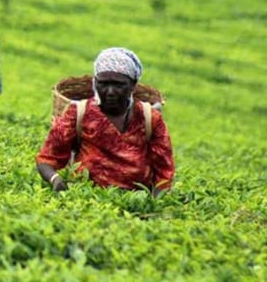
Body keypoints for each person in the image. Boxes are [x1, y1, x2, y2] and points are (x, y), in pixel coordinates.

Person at [36, 48, 175, 196]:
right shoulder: (79, 112)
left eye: (118, 85)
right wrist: (56, 180)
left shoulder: (150, 118)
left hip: (134, 200)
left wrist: (154, 203)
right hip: (86, 196)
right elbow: (47, 158)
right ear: (95, 83)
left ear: (133, 85)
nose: (110, 91)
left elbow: (164, 170)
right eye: (103, 83)